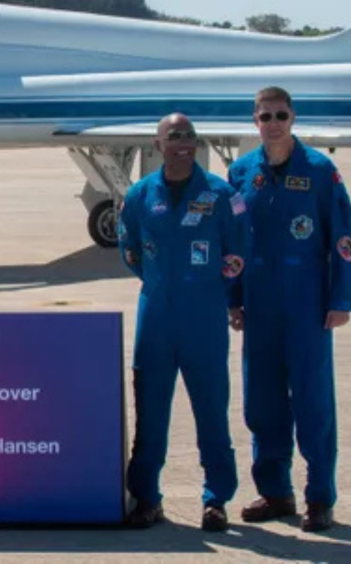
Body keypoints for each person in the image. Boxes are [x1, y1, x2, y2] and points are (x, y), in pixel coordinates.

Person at [227, 86, 350, 532]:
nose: (273, 124)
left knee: (313, 402)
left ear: (293, 117)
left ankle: (319, 497)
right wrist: (233, 298)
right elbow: (232, 241)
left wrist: (341, 299)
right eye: (265, 117)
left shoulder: (320, 171)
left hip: (306, 302)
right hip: (259, 301)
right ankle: (275, 491)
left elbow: (344, 239)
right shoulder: (241, 173)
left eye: (280, 115)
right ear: (255, 121)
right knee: (262, 402)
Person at [117, 113, 245, 531]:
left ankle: (216, 498)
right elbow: (130, 250)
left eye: (189, 135)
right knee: (150, 413)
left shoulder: (221, 195)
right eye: (174, 136)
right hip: (156, 318)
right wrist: (162, 283)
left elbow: (237, 253)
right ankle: (147, 497)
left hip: (203, 320)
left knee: (211, 411)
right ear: (158, 145)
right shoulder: (140, 195)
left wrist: (211, 293)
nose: (183, 142)